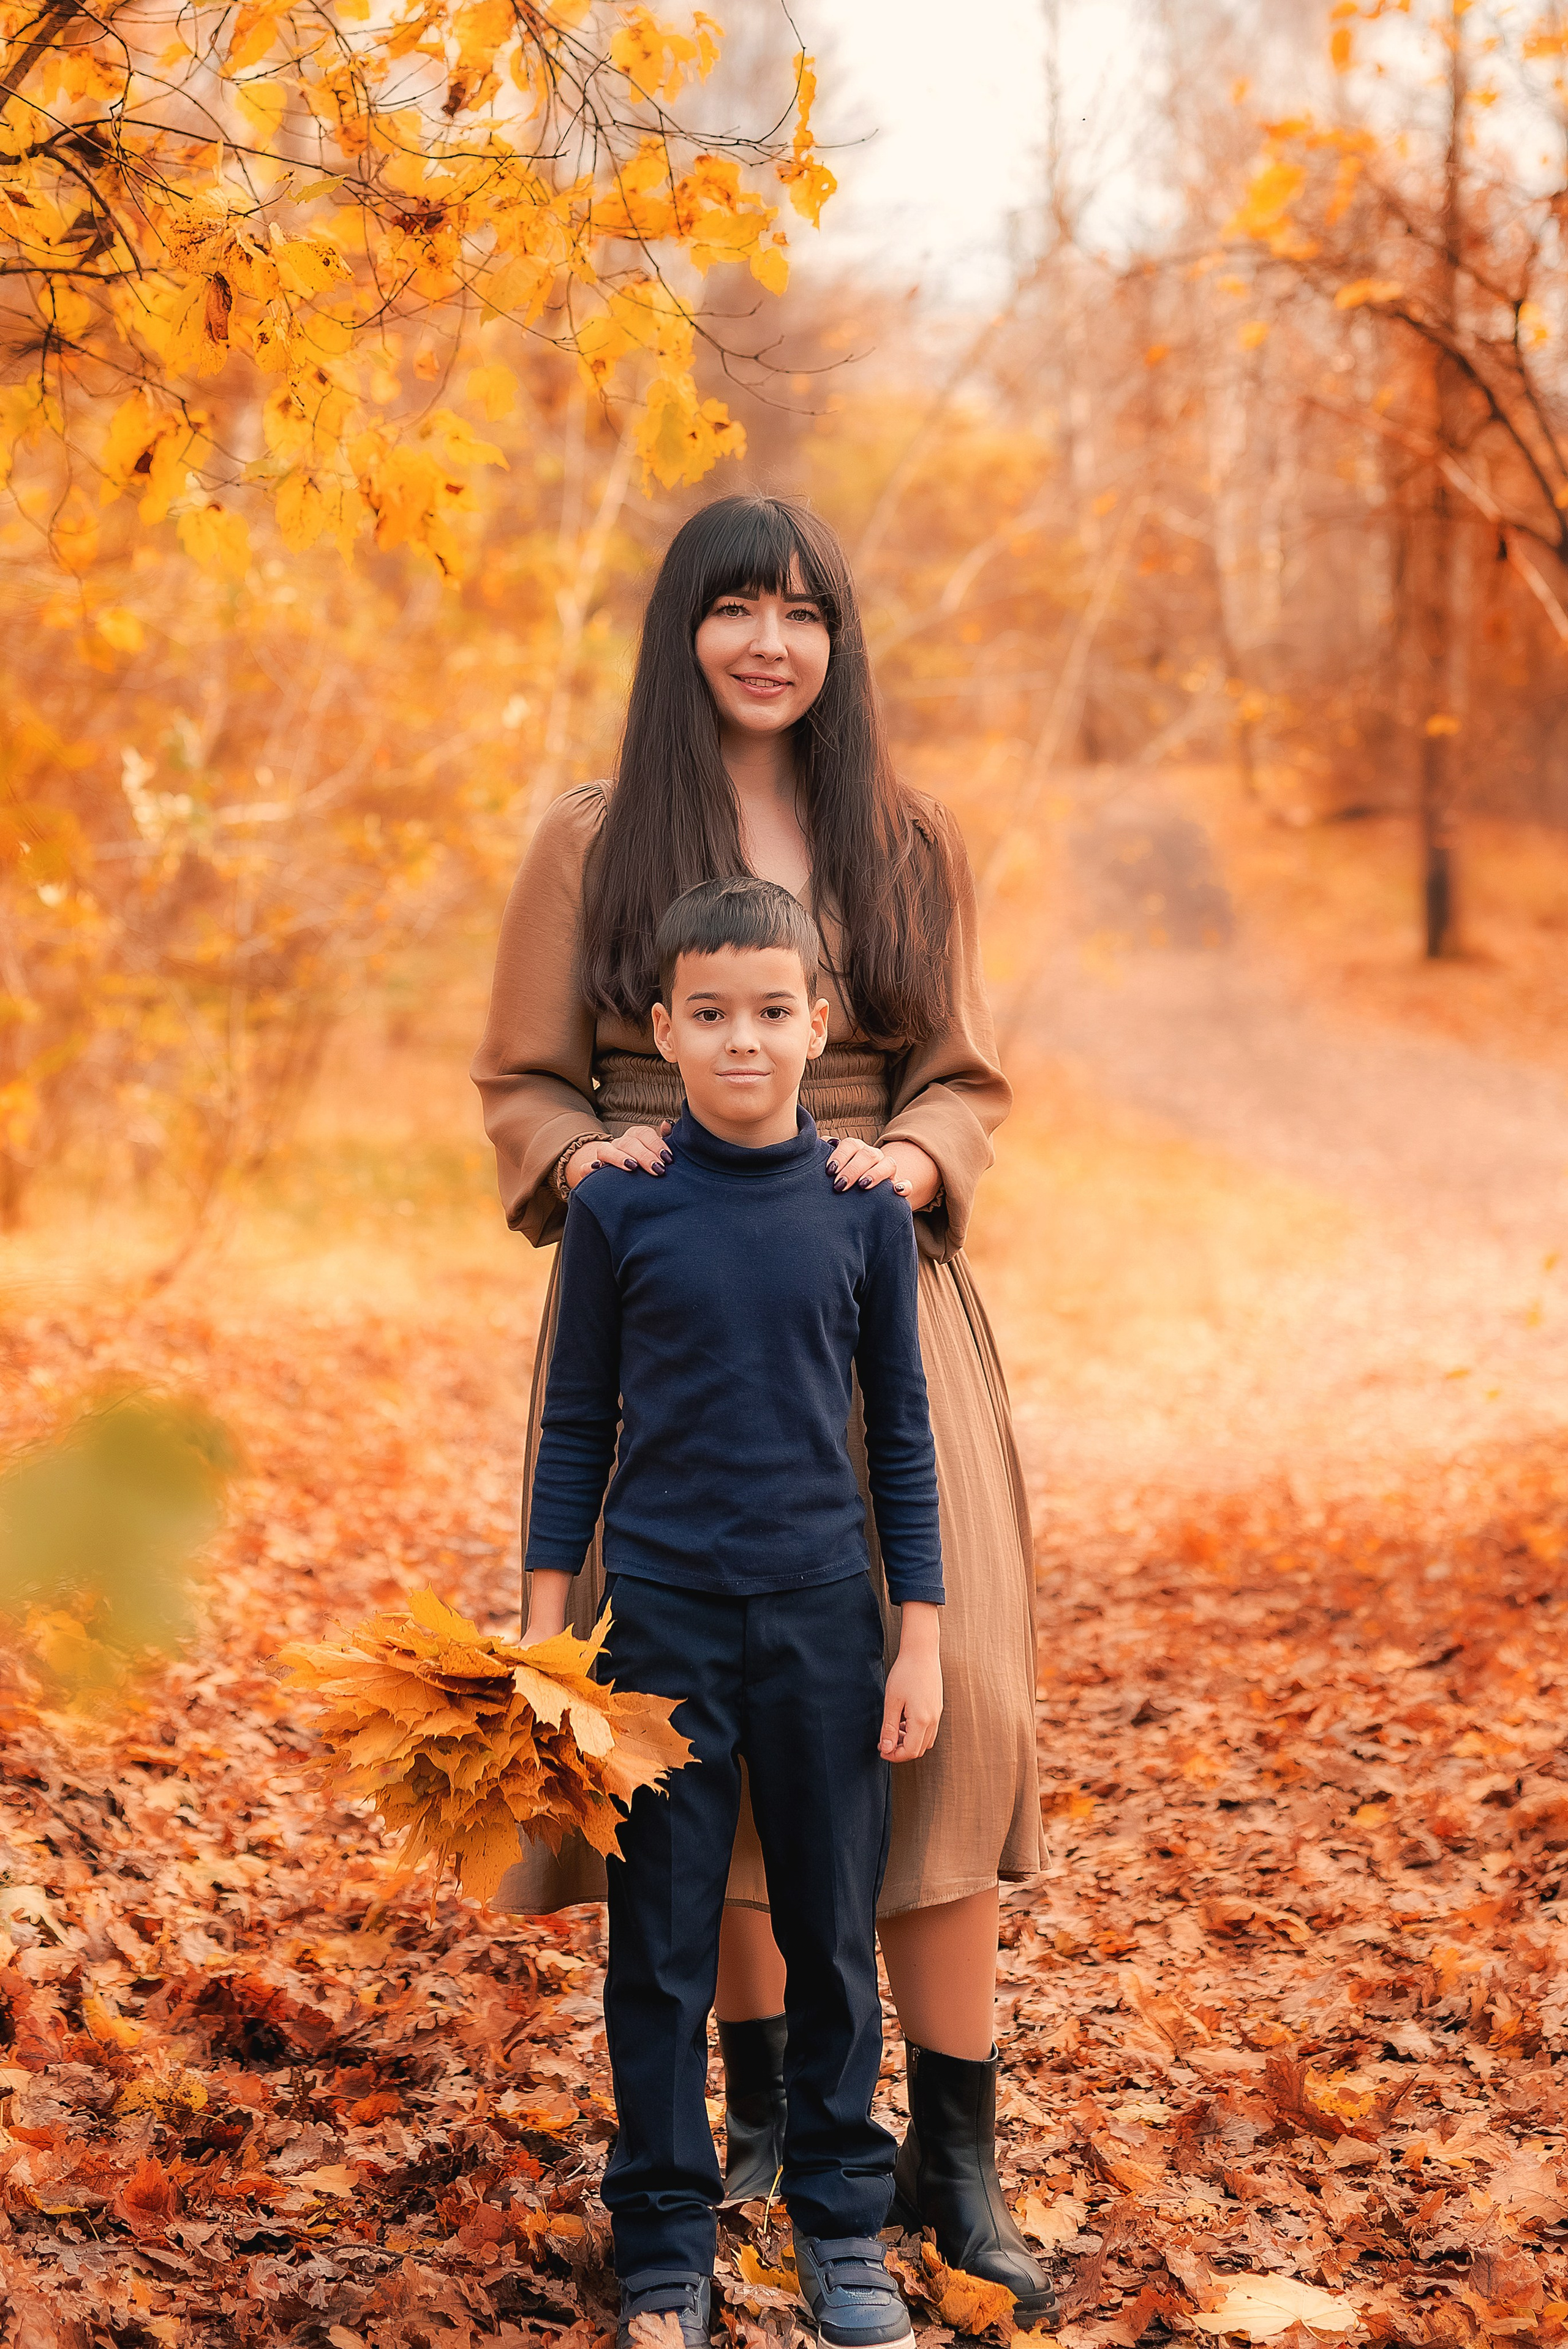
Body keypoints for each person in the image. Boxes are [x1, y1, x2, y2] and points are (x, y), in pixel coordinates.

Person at [472, 493, 1052, 2320]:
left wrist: (915, 1153)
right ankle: (747, 2126)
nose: (771, 642)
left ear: (836, 642)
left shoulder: (907, 834)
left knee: (936, 1725)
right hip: (671, 1302)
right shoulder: (593, 835)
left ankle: (948, 2158)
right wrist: (588, 1158)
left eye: (803, 613)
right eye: (735, 608)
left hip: (876, 1286)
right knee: (691, 1745)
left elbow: (965, 1074)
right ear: (682, 633)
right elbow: (521, 1074)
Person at [521, 877, 942, 2349]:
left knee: (833, 1935)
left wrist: (921, 1631)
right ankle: (660, 2246)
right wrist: (545, 1634)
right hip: (660, 1631)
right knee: (661, 1942)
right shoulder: (621, 1206)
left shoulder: (861, 1215)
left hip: (826, 1618)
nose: (743, 1042)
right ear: (664, 1029)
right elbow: (574, 1426)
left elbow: (898, 1429)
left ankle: (841, 2228)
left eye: (773, 1014)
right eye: (711, 1016)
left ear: (816, 1027)